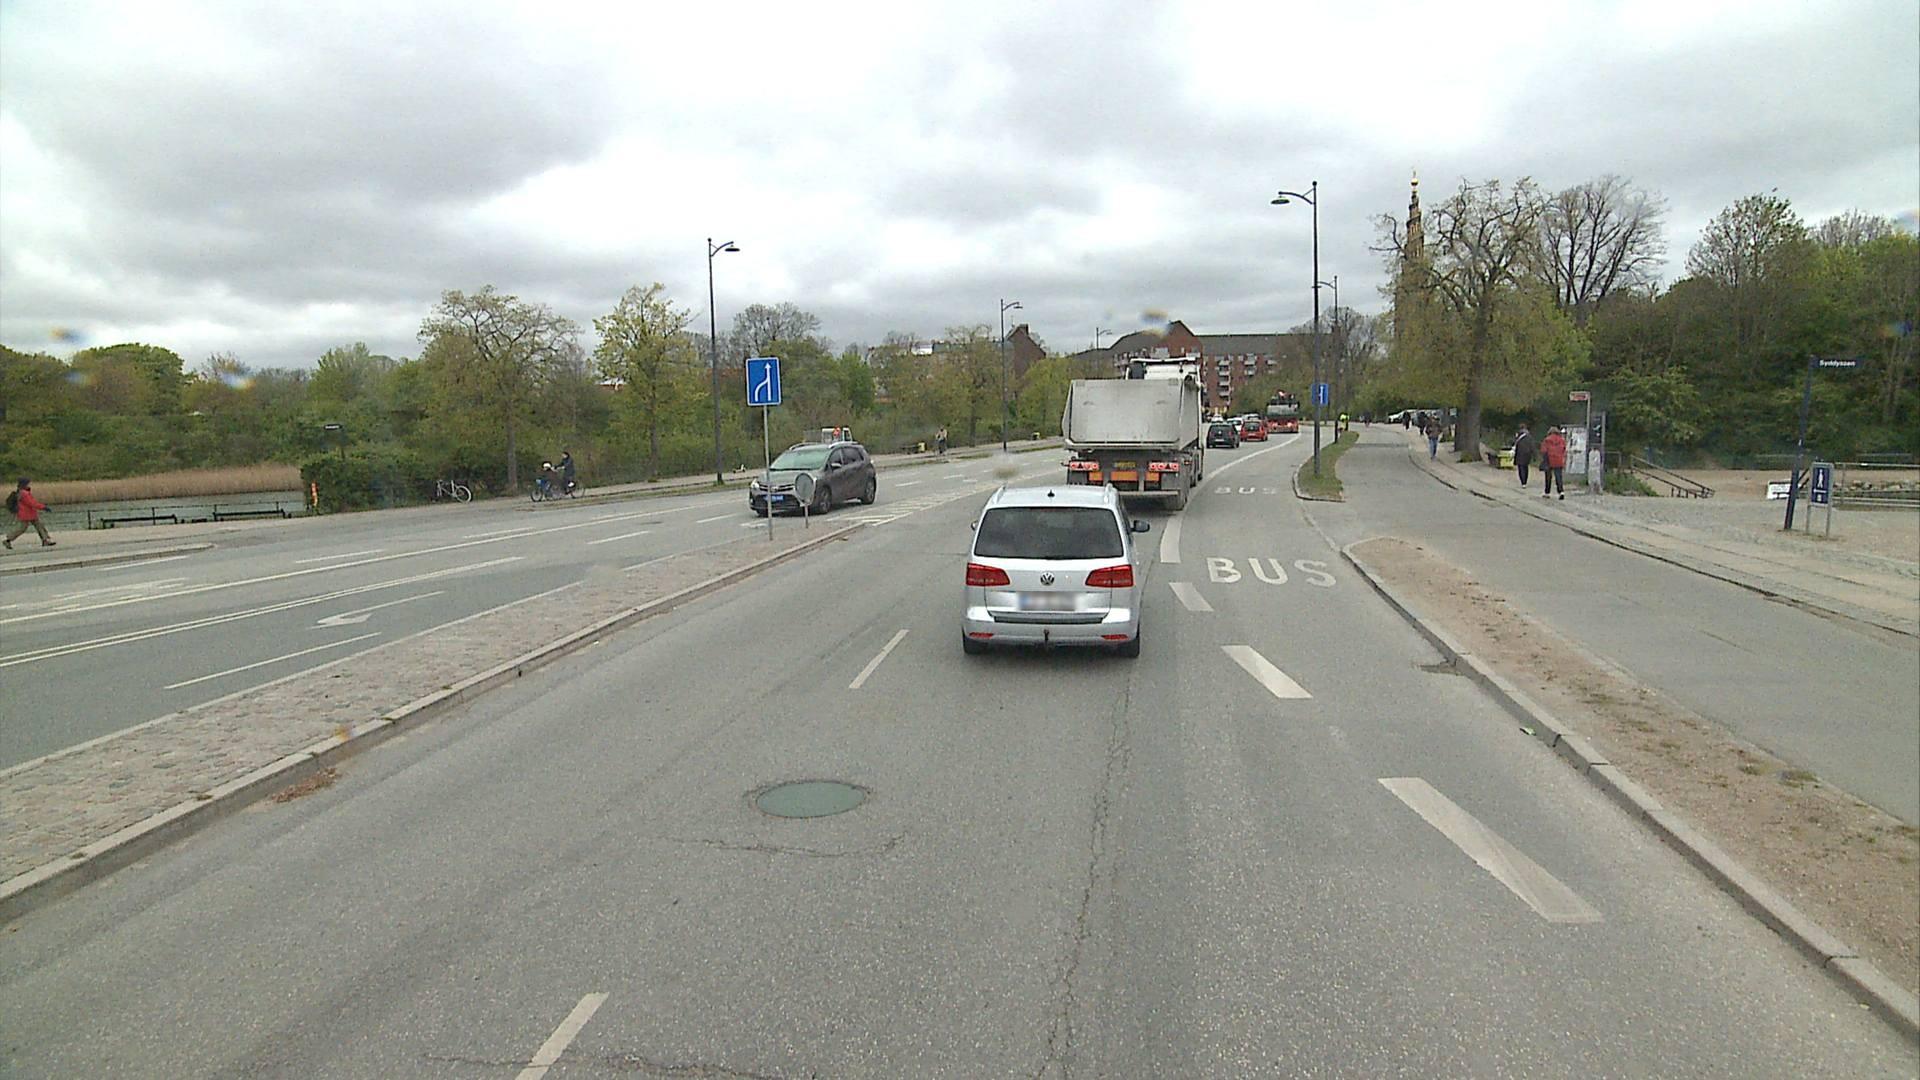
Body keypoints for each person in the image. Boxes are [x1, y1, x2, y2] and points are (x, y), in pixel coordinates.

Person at [4, 477, 55, 548]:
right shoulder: (24, 493)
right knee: (23, 529)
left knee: (39, 526)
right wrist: (44, 507)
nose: (29, 485)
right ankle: (8, 540)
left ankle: (45, 540)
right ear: (24, 484)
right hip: (26, 514)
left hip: (28, 513)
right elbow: (32, 503)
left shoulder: (21, 492)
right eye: (27, 484)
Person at [1540, 425, 1568, 499]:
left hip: (1549, 459)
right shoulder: (1561, 440)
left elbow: (1543, 450)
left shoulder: (1547, 440)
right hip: (1559, 459)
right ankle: (1561, 491)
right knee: (1558, 476)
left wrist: (1544, 459)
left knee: (1548, 477)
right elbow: (1564, 449)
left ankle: (1547, 492)